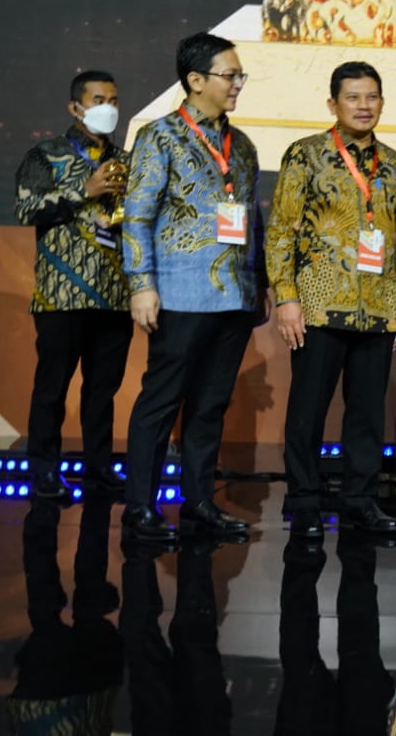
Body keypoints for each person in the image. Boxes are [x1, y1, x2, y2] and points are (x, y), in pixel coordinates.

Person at [121, 33, 267, 542]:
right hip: (180, 292)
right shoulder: (159, 136)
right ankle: (139, 507)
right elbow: (137, 215)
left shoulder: (242, 145)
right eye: (230, 75)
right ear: (196, 80)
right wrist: (141, 285)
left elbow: (251, 219)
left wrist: (260, 282)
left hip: (234, 296)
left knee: (210, 403)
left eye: (240, 75)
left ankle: (200, 502)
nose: (237, 84)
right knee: (162, 400)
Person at [267, 61, 396, 538]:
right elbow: (282, 230)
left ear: (382, 102)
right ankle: (304, 501)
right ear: (333, 104)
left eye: (372, 97)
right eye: (353, 97)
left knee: (367, 415)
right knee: (307, 411)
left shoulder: (394, 163)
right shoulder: (306, 154)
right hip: (317, 305)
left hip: (377, 308)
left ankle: (360, 502)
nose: (364, 106)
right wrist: (286, 298)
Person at [14, 70, 132, 499]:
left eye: (114, 100)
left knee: (102, 392)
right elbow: (26, 210)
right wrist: (85, 188)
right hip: (61, 297)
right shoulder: (46, 155)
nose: (108, 108)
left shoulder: (127, 160)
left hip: (115, 297)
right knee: (52, 389)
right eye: (99, 100)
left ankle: (98, 467)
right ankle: (44, 469)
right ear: (75, 107)